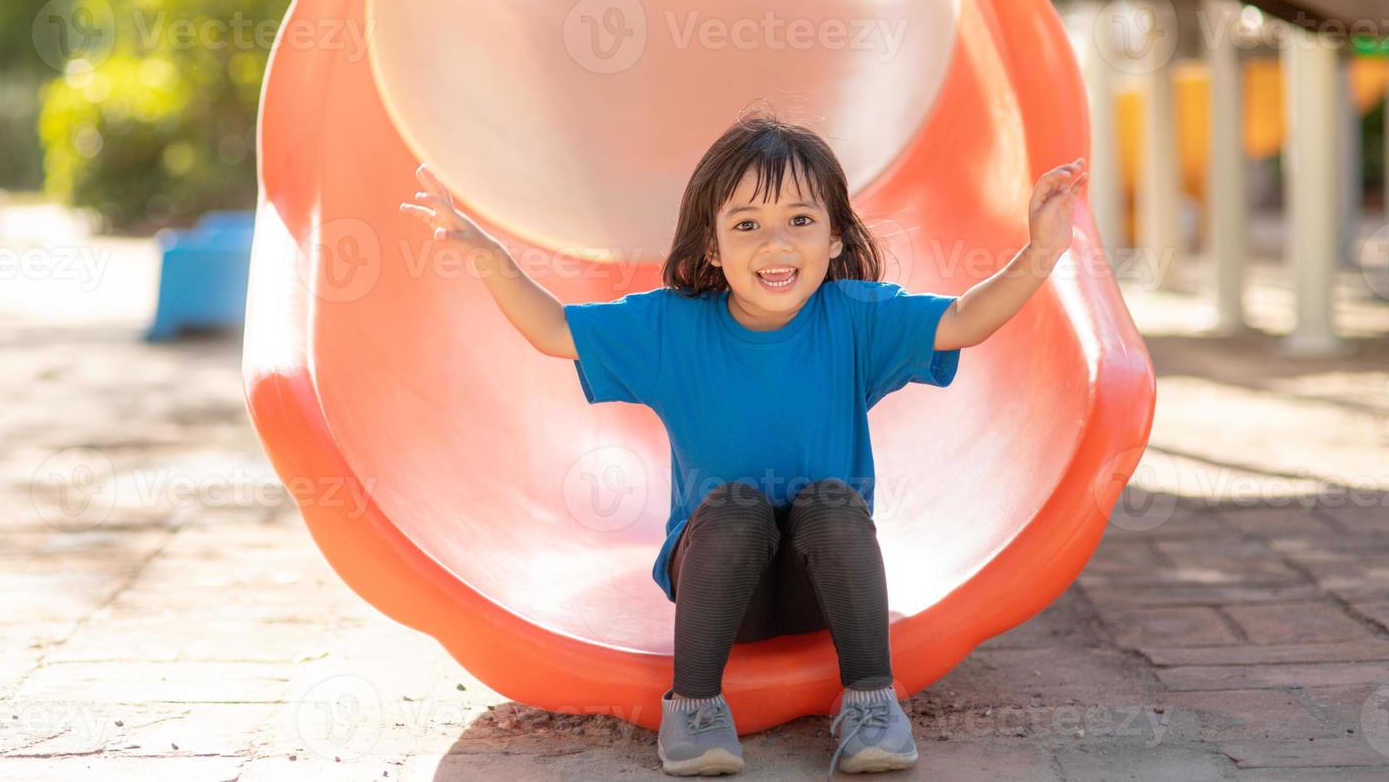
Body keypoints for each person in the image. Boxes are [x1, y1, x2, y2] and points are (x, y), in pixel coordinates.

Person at [399, 110, 1087, 777]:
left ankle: (871, 706)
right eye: (747, 225)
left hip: (824, 587)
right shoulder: (673, 326)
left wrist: (1041, 252)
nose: (776, 244)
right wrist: (489, 257)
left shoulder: (855, 318)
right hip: (722, 587)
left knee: (833, 505)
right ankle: (694, 707)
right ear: (711, 247)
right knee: (735, 506)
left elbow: (964, 321)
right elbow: (554, 332)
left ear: (837, 238)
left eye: (800, 221)